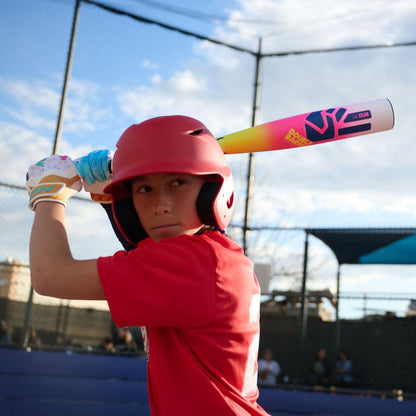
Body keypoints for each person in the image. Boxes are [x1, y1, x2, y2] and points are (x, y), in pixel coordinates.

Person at [26, 115, 270, 416]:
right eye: (144, 189)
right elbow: (142, 258)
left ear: (212, 191)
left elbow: (50, 276)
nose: (161, 205)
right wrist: (107, 194)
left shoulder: (192, 264)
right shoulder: (216, 257)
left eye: (177, 182)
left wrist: (49, 195)